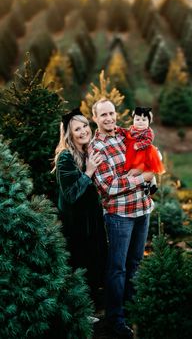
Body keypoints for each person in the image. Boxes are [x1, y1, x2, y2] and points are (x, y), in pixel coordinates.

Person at [89, 98, 154, 339]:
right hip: (119, 216)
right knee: (118, 268)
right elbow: (108, 186)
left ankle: (131, 309)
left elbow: (148, 140)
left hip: (142, 209)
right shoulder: (97, 147)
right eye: (103, 115)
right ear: (95, 118)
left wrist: (149, 167)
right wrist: (138, 177)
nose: (109, 118)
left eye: (112, 113)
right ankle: (115, 319)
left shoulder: (127, 135)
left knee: (135, 262)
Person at [53, 107, 107, 307]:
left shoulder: (88, 151)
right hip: (75, 225)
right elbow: (70, 195)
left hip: (92, 221)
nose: (84, 131)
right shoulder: (65, 157)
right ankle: (80, 311)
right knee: (80, 265)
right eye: (77, 129)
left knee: (95, 262)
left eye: (85, 125)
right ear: (69, 134)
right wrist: (88, 172)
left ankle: (93, 305)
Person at [116, 106, 165, 195]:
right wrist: (118, 129)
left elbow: (149, 141)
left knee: (147, 168)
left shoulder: (148, 131)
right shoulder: (131, 129)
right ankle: (145, 185)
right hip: (134, 153)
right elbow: (125, 132)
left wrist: (139, 145)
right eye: (137, 119)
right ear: (133, 120)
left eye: (144, 120)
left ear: (149, 122)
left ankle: (152, 184)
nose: (140, 122)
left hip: (145, 151)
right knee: (134, 168)